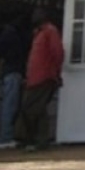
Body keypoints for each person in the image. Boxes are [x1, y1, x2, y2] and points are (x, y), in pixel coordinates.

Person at [20, 8, 64, 152]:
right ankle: (37, 140)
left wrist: (55, 72)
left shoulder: (50, 31)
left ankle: (37, 140)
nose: (34, 16)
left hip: (44, 76)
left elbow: (57, 53)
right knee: (37, 109)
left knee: (32, 108)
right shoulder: (39, 32)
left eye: (37, 13)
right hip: (34, 77)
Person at [0, 18, 29, 150]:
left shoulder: (9, 35)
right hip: (12, 72)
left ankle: (7, 136)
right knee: (10, 106)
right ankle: (4, 138)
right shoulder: (11, 35)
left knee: (11, 105)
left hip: (11, 71)